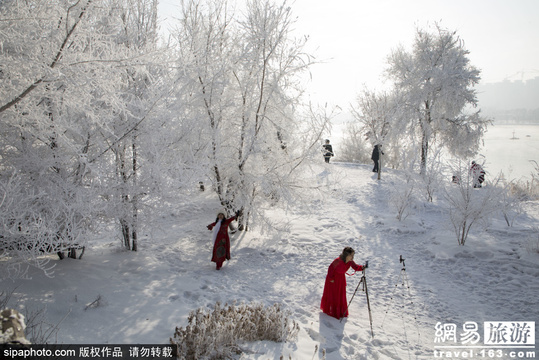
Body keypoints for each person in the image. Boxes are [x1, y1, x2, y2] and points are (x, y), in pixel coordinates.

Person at [320, 247, 366, 319]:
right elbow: (330, 269)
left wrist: (363, 267)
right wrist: (331, 278)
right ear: (346, 255)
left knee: (340, 295)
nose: (352, 257)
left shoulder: (350, 262)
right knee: (334, 295)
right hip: (333, 280)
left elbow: (355, 267)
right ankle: (332, 311)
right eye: (351, 255)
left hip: (341, 279)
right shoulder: (337, 261)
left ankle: (340, 311)